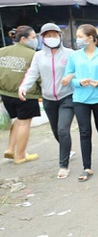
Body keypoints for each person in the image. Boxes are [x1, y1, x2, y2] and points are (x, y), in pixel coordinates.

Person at [18, 23, 75, 178]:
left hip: (67, 97)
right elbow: (32, 73)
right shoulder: (38, 56)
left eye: (54, 35)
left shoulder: (70, 54)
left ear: (60, 36)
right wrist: (23, 87)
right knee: (56, 131)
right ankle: (67, 148)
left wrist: (71, 76)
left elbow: (78, 70)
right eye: (48, 35)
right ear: (42, 38)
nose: (51, 38)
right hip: (48, 99)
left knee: (63, 130)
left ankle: (63, 165)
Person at [63, 24, 98, 181]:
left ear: (91, 38)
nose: (78, 40)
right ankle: (87, 167)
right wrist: (80, 82)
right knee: (84, 131)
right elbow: (68, 77)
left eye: (80, 36)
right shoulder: (74, 56)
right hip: (80, 99)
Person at [0, 26, 41, 164]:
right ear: (23, 39)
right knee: (24, 123)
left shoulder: (2, 51)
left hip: (5, 94)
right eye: (34, 37)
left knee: (17, 121)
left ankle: (10, 149)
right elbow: (38, 76)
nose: (36, 40)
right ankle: (21, 155)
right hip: (26, 94)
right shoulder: (33, 55)